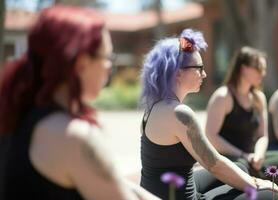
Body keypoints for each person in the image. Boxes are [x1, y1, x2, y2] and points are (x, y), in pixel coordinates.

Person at [0, 6, 159, 200]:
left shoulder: (17, 114)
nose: (110, 67)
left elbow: (113, 181)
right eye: (108, 57)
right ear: (82, 63)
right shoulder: (73, 136)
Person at [140, 29, 278, 200]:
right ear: (178, 73)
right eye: (199, 68)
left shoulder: (154, 106)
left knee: (241, 168)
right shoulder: (180, 113)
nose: (204, 74)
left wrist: (248, 179)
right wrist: (257, 184)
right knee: (268, 195)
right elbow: (214, 164)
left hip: (159, 191)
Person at [205, 47, 278, 189]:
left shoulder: (259, 98)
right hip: (230, 158)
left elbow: (263, 136)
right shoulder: (223, 96)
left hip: (252, 157)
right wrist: (243, 155)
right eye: (259, 68)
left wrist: (259, 155)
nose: (263, 73)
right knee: (239, 166)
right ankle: (269, 178)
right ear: (243, 69)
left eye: (264, 69)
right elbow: (211, 136)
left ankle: (260, 177)